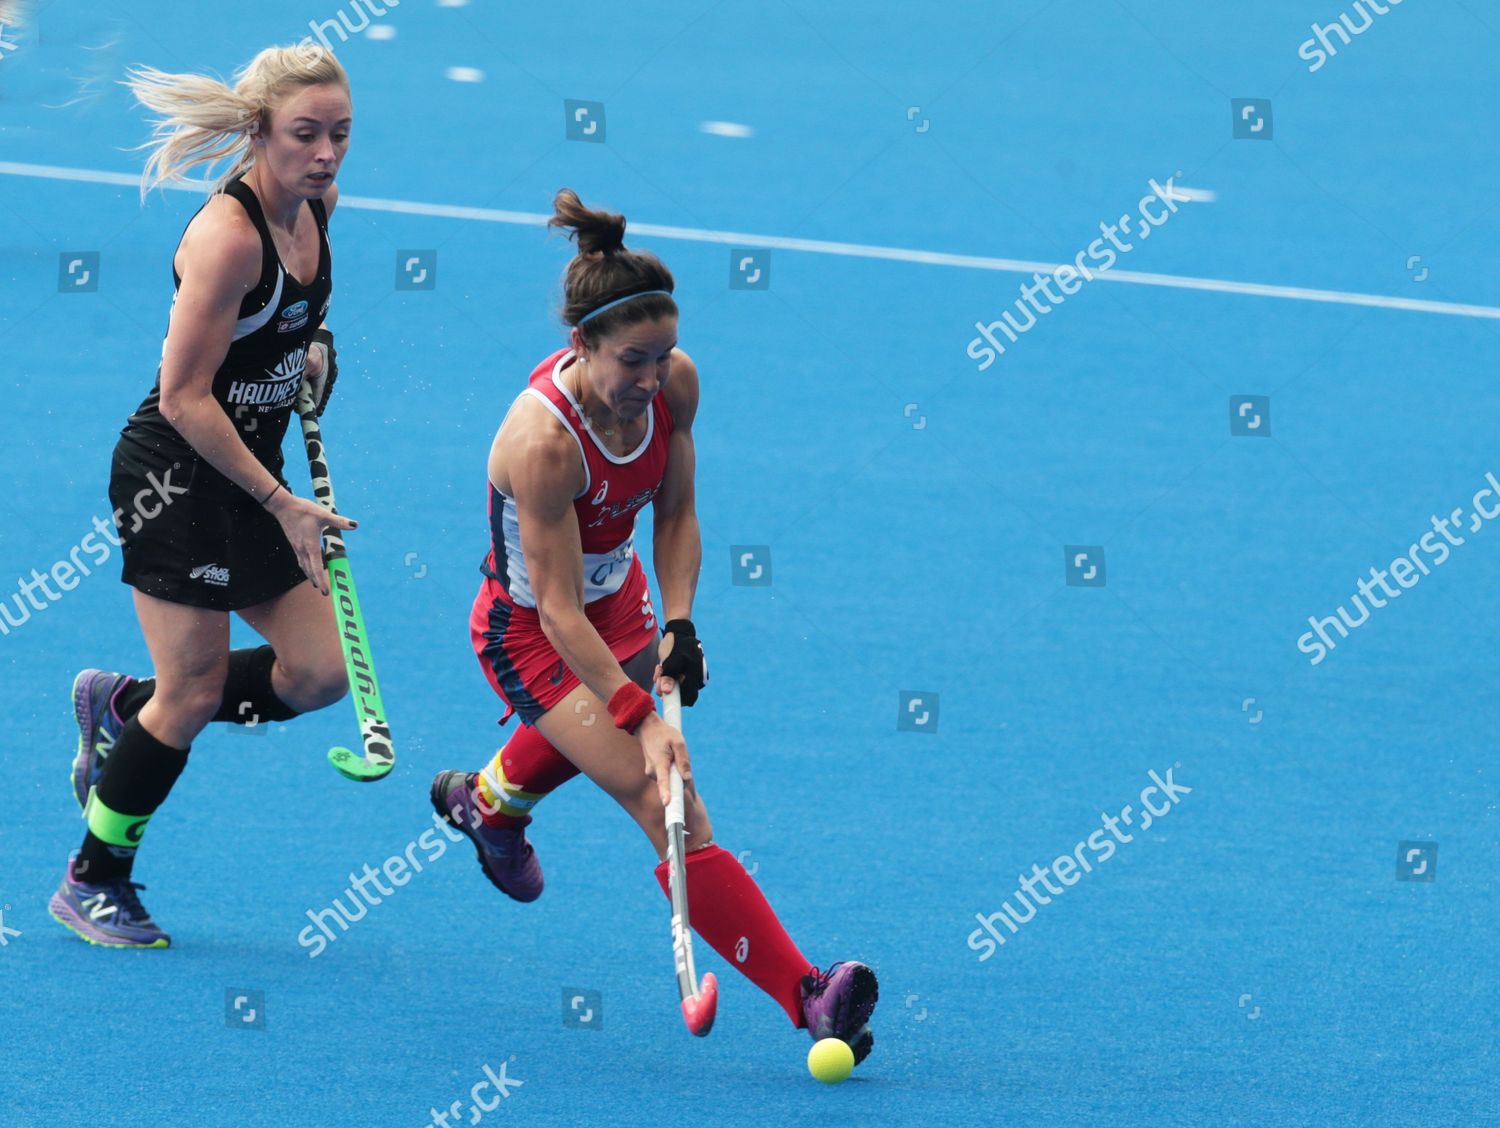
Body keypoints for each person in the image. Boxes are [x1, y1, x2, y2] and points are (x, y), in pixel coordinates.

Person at [430, 189, 879, 1061]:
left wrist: (679, 623)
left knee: (599, 732)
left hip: (620, 595)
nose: (651, 379)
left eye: (664, 355)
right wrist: (638, 717)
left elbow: (675, 514)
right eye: (633, 360)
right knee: (659, 793)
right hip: (532, 633)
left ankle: (487, 807)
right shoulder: (544, 444)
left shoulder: (675, 386)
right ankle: (808, 996)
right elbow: (555, 610)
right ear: (580, 346)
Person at [49, 44, 357, 949]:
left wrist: (315, 350)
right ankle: (93, 878)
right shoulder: (229, 238)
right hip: (176, 478)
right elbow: (184, 398)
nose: (327, 153)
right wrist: (283, 504)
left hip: (248, 475)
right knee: (191, 694)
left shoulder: (319, 209)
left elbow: (298, 320)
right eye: (306, 134)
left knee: (320, 673)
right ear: (260, 130)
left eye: (340, 133)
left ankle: (121, 709)